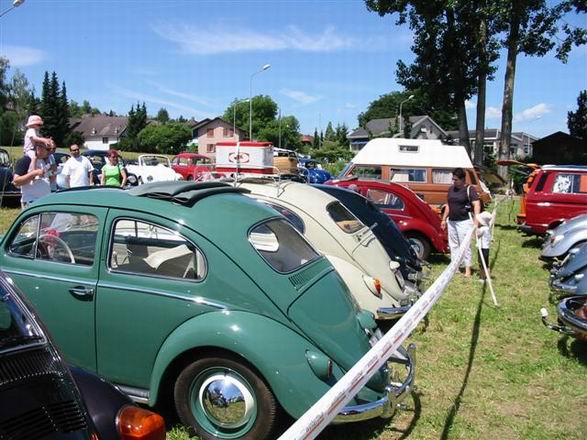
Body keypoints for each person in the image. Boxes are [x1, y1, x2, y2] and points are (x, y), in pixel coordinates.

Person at [441, 168, 481, 277]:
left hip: (464, 222)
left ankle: (468, 269)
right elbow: (448, 205)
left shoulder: (469, 189)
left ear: (463, 179)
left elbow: (476, 205)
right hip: (452, 221)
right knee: (453, 245)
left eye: (456, 179)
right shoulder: (451, 189)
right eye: (453, 179)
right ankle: (455, 267)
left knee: (465, 245)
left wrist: (476, 222)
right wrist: (444, 219)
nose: (454, 181)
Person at [12, 141, 52, 208]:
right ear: (39, 148)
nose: (50, 152)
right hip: (31, 202)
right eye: (48, 149)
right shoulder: (26, 160)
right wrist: (34, 173)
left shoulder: (43, 161)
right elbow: (16, 182)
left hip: (44, 201)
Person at [476, 211, 493, 281]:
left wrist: (476, 229)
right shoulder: (487, 228)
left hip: (482, 248)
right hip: (486, 248)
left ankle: (482, 277)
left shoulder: (482, 229)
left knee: (481, 264)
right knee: (486, 264)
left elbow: (478, 235)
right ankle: (488, 277)